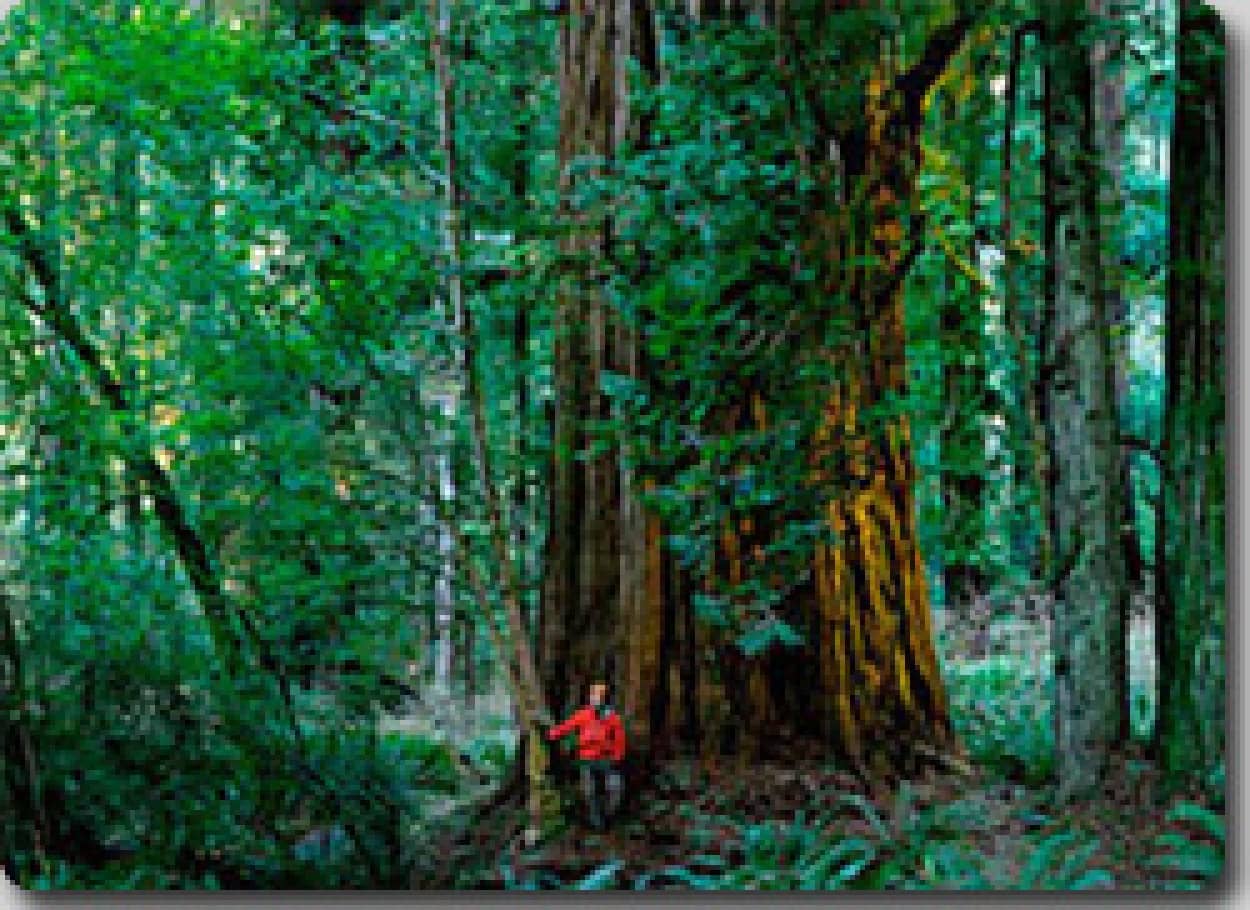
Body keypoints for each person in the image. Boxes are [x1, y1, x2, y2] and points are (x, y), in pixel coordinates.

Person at [546, 682, 625, 829]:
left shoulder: (612, 717)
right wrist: (551, 733)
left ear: (605, 699)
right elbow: (566, 727)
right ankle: (596, 819)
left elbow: (619, 739)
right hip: (586, 759)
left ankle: (608, 814)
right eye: (593, 695)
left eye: (599, 696)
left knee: (615, 787)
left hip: (605, 758)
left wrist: (617, 756)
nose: (595, 699)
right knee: (588, 790)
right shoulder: (583, 715)